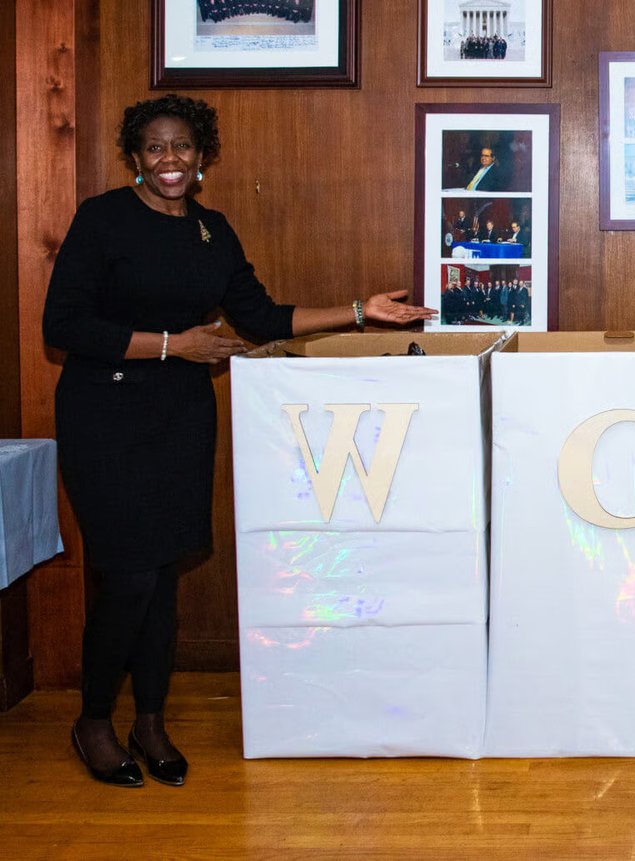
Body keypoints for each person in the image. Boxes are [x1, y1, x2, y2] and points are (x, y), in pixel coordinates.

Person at [42, 94, 436, 788]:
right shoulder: (103, 219)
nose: (171, 160)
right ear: (135, 156)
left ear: (203, 158)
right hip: (104, 414)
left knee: (163, 574)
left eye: (183, 148)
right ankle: (95, 720)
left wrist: (357, 311)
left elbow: (260, 316)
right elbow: (65, 324)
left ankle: (151, 721)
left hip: (180, 416)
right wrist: (172, 343)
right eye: (156, 148)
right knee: (129, 574)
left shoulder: (211, 232)